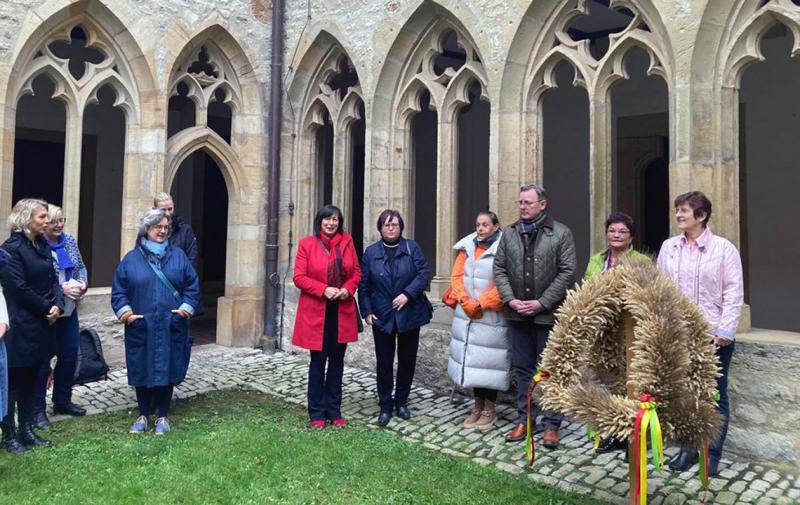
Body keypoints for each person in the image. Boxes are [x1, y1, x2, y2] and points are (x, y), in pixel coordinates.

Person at [657, 191, 743, 477]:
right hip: (679, 336)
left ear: (701, 216)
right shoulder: (669, 247)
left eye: (684, 210)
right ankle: (689, 448)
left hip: (713, 336)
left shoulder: (723, 249)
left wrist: (726, 330)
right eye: (677, 210)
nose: (678, 215)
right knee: (684, 395)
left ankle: (712, 454)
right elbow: (660, 289)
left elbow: (733, 292)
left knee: (714, 395)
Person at [493, 184, 576, 447]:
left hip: (547, 316)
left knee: (551, 371)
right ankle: (525, 419)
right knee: (523, 369)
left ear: (542, 204)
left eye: (528, 202)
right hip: (517, 315)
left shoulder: (560, 233)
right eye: (520, 202)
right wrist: (511, 300)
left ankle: (551, 425)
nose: (522, 207)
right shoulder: (509, 233)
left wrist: (542, 303)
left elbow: (567, 272)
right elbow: (500, 269)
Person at [111, 208, 199, 435]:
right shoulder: (131, 259)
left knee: (168, 367)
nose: (162, 231)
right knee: (141, 366)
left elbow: (192, 285)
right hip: (142, 324)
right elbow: (119, 291)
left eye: (165, 228)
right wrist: (127, 314)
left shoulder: (178, 256)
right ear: (146, 229)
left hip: (170, 322)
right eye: (157, 227)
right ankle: (142, 414)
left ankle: (163, 416)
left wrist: (185, 309)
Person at [583, 211, 650, 453]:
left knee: (629, 383)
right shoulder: (596, 260)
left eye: (622, 231)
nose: (616, 235)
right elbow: (587, 287)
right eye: (612, 230)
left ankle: (633, 437)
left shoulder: (641, 261)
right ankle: (611, 432)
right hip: (601, 331)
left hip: (628, 331)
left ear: (631, 237)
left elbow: (646, 294)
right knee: (605, 381)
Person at [0, 198, 63, 453]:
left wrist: (57, 303)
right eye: (42, 217)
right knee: (13, 383)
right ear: (26, 219)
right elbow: (17, 287)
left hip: (43, 324)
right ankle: (10, 435)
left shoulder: (41, 246)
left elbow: (54, 277)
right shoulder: (9, 249)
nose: (47, 221)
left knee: (33, 379)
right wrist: (46, 308)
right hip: (21, 324)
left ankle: (27, 429)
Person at [359, 209, 432, 427]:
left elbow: (423, 274)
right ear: (380, 228)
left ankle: (401, 401)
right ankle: (384, 404)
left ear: (401, 227)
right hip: (382, 314)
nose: (391, 228)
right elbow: (364, 286)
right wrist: (367, 311)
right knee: (384, 362)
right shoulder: (371, 253)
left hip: (409, 313)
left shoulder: (412, 248)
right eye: (387, 225)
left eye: (395, 224)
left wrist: (407, 295)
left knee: (407, 361)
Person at [291, 205, 361, 428]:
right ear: (319, 221)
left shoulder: (347, 242)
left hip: (341, 311)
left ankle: (334, 410)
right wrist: (323, 289)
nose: (331, 223)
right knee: (318, 362)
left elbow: (356, 272)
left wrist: (347, 289)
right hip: (317, 313)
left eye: (335, 220)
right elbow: (299, 277)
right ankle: (317, 413)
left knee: (338, 362)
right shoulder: (307, 245)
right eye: (327, 219)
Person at [447, 211, 509, 430]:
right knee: (472, 361)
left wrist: (481, 303)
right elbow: (456, 277)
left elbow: (505, 283)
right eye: (477, 224)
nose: (480, 228)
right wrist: (465, 301)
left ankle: (489, 409)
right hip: (467, 314)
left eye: (485, 224)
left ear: (496, 226)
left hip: (490, 316)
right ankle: (477, 405)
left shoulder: (504, 249)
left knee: (489, 363)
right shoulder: (467, 247)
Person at [33, 205, 88, 430]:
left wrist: (83, 285)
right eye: (54, 221)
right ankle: (37, 410)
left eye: (61, 220)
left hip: (69, 310)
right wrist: (60, 289)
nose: (58, 225)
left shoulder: (70, 242)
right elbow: (38, 279)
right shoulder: (37, 247)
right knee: (43, 361)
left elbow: (81, 267)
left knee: (69, 357)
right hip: (48, 312)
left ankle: (62, 401)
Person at [153, 192, 198, 268]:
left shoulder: (185, 231)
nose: (167, 213)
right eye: (163, 210)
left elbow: (191, 261)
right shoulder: (146, 231)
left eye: (170, 209)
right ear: (155, 209)